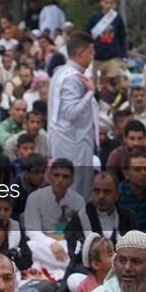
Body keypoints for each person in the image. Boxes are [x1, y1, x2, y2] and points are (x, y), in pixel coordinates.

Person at [48, 32, 99, 200]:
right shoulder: (72, 78)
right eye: (91, 52)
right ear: (81, 52)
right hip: (73, 142)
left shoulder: (60, 72)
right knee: (77, 191)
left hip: (64, 139)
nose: (93, 57)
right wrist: (90, 93)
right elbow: (71, 112)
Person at [86, 0, 128, 83]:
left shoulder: (117, 18)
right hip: (97, 58)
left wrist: (124, 58)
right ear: (101, 2)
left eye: (111, 3)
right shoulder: (94, 17)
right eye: (106, 2)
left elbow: (122, 39)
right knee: (97, 85)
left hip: (113, 58)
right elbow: (87, 36)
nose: (108, 5)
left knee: (113, 84)